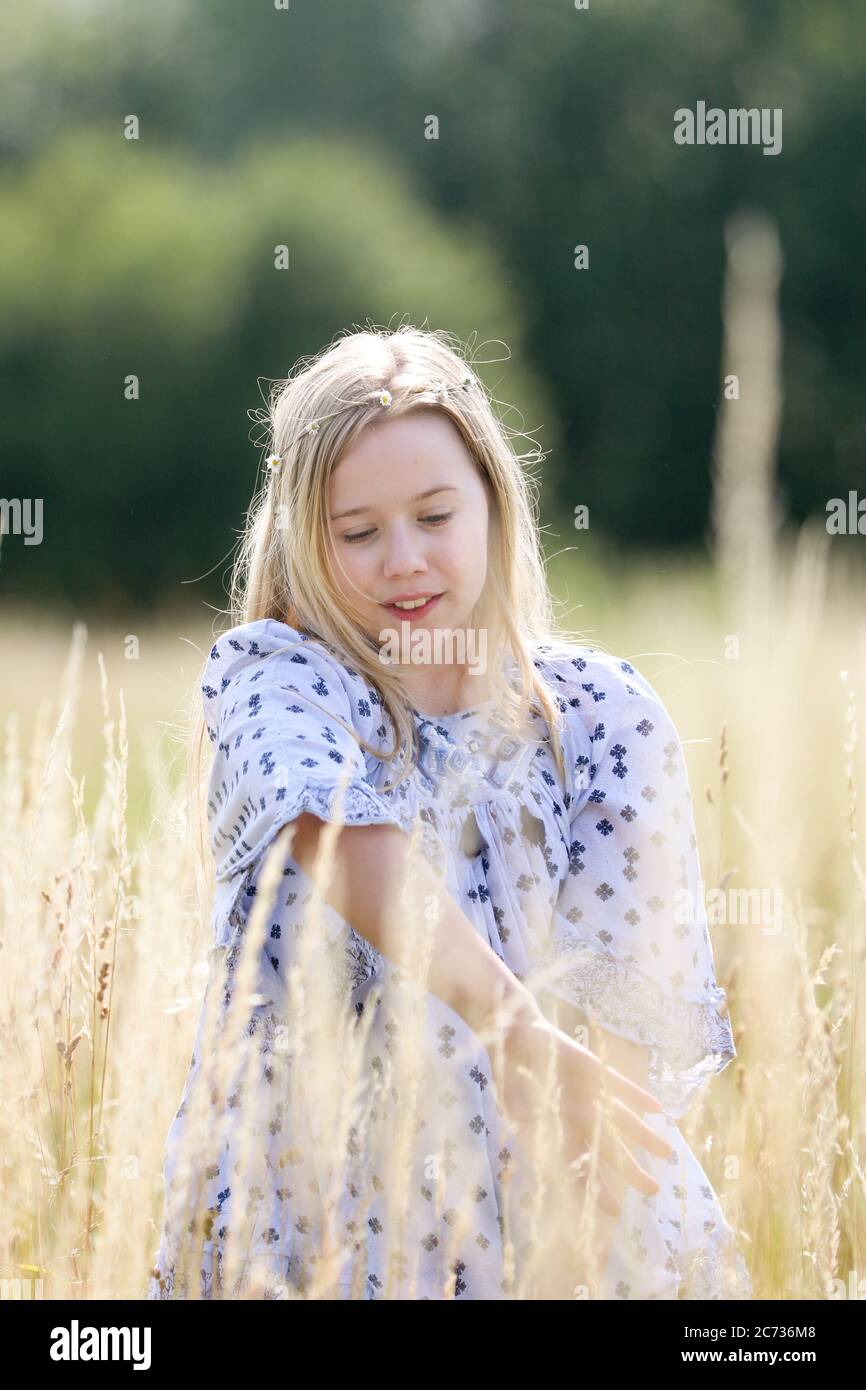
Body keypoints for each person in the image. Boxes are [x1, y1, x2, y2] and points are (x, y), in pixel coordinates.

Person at [147, 324, 751, 1300]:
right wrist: (516, 1032)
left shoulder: (596, 718)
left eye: (434, 514)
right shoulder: (274, 684)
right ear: (304, 536)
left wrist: (576, 1229)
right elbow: (345, 836)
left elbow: (617, 1018)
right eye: (358, 532)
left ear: (493, 504)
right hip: (310, 1215)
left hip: (526, 1208)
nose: (403, 559)